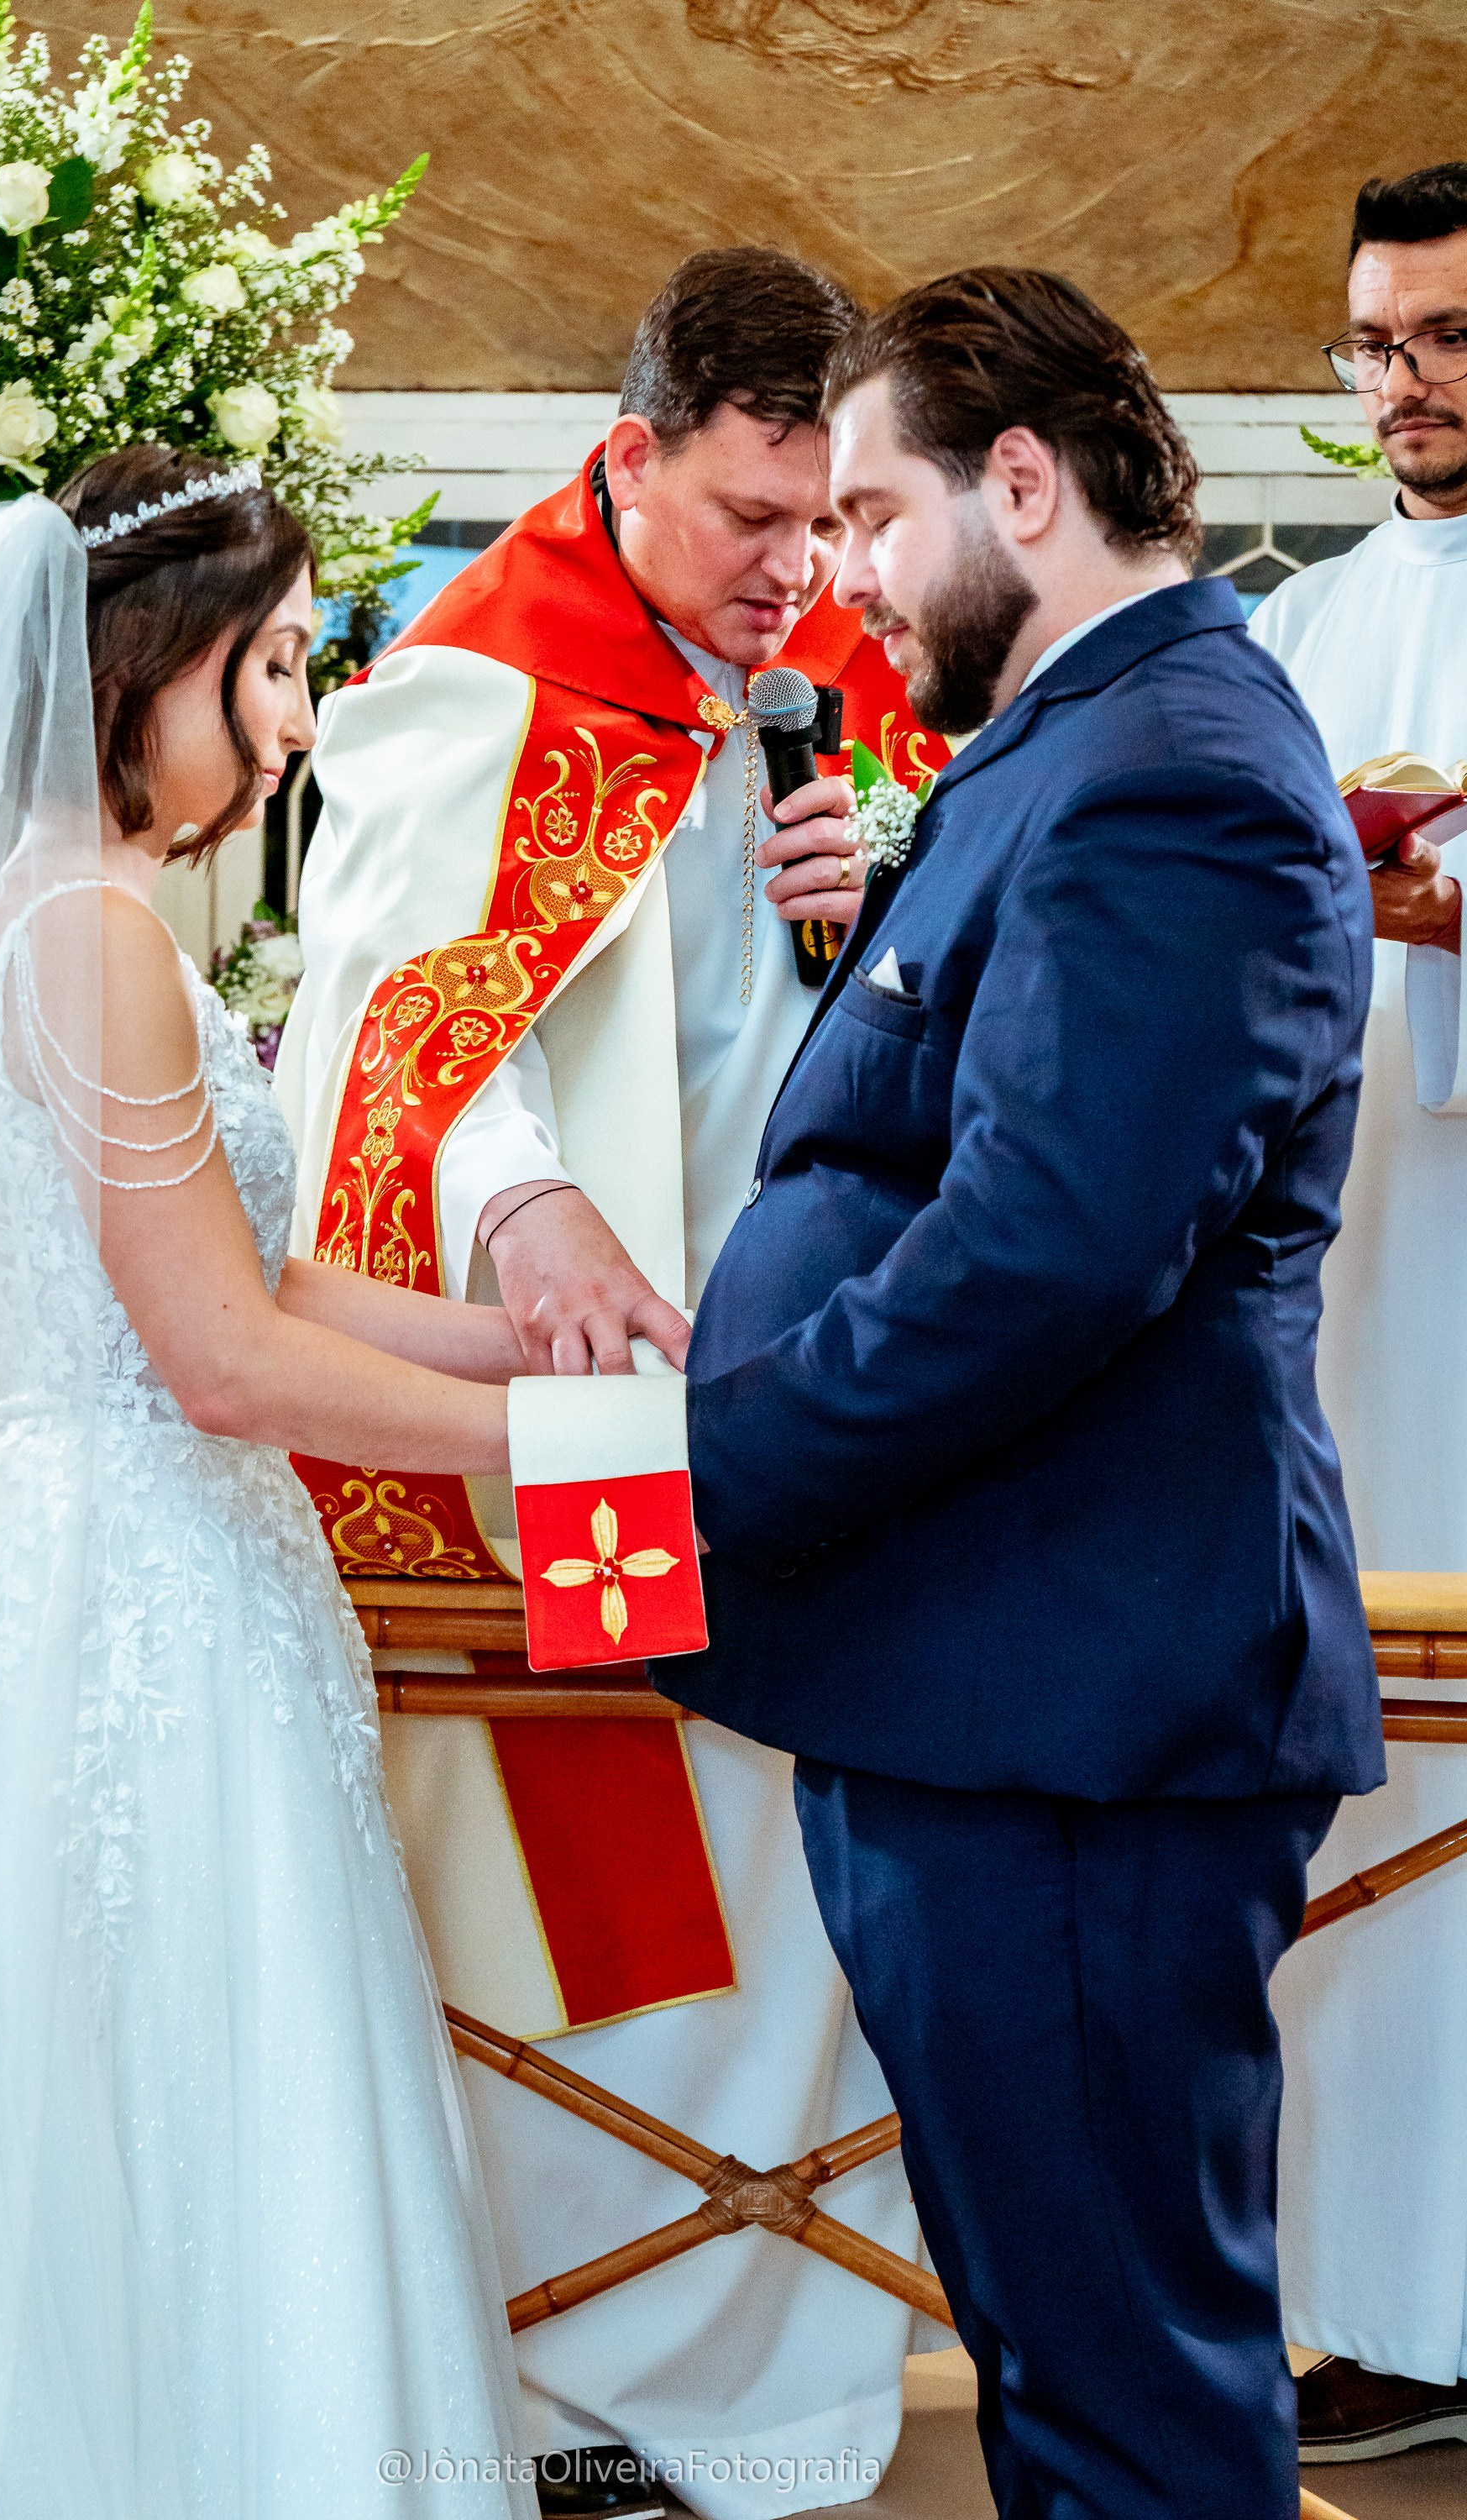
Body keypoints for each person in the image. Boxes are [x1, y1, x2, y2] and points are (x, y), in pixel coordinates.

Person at [657, 268, 1386, 2520]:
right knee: (1062, 2358)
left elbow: (1048, 1253)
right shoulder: (1081, 748)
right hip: (1002, 1683)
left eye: (874, 512)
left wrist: (720, 1471)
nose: (844, 573)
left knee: (1127, 2403)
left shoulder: (1174, 773)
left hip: (1078, 1705)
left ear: (1030, 486)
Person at [0, 449, 539, 2518]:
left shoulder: (81, 919)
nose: (300, 718)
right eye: (279, 665)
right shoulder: (93, 939)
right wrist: (571, 1453)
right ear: (156, 661)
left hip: (127, 1548)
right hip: (125, 1584)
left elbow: (256, 1273)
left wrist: (533, 1343)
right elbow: (214, 1363)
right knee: (180, 2103)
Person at [278, 249, 947, 2520]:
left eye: (829, 518)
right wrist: (520, 1213)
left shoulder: (844, 671)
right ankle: (571, 2394)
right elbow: (393, 1012)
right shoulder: (478, 676)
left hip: (824, 1392)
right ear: (635, 459)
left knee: (802, 1877)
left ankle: (768, 2387)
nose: (799, 573)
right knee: (603, 1881)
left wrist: (901, 872)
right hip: (579, 1400)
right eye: (756, 519)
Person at [1249, 159, 1467, 2466]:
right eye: (1370, 344)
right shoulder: (1297, 634)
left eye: (1440, 343)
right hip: (1363, 1269)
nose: (1395, 389)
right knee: (1376, 1769)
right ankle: (1383, 2298)